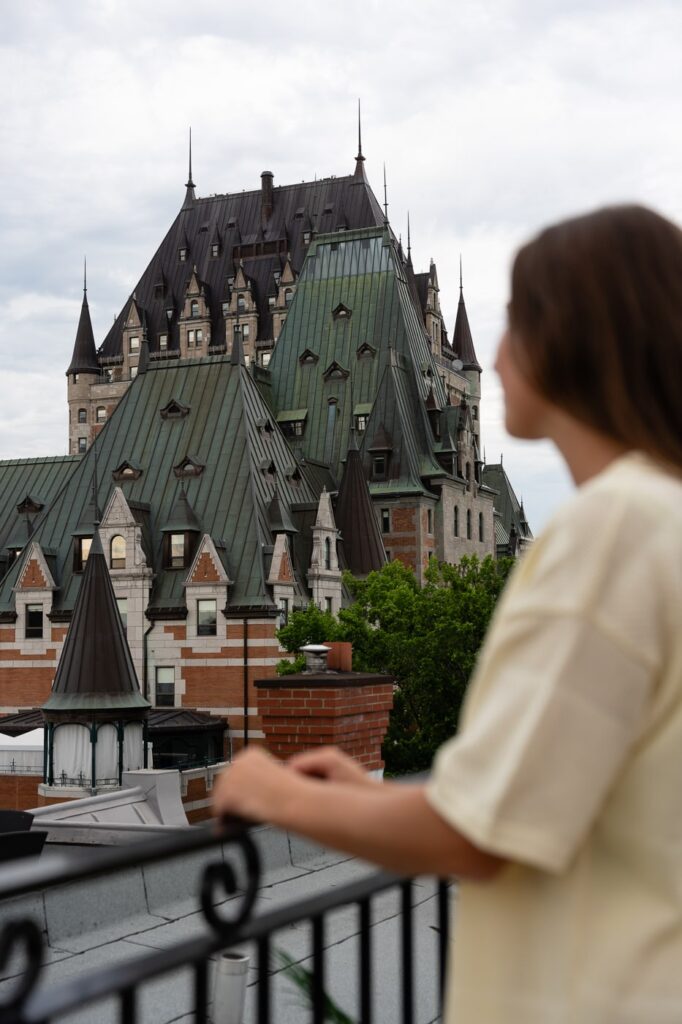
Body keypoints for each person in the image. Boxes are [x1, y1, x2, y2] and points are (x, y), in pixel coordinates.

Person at [212, 204, 682, 1023]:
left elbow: (482, 831)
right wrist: (358, 797)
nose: (489, 358)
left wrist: (278, 794)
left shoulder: (612, 531)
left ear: (574, 342)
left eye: (516, 325)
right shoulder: (659, 518)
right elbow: (545, 791)